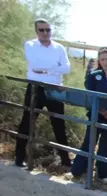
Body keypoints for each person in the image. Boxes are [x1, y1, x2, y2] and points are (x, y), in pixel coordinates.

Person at [15, 19, 71, 168]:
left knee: (59, 124)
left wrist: (47, 70)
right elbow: (35, 66)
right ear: (36, 31)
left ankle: (65, 161)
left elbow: (66, 68)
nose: (46, 33)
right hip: (36, 88)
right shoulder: (30, 45)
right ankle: (19, 157)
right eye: (42, 30)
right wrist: (54, 68)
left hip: (54, 89)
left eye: (48, 30)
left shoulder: (59, 48)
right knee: (27, 121)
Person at [69, 48, 107, 183]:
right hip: (96, 115)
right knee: (89, 141)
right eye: (103, 59)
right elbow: (89, 95)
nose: (106, 62)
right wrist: (100, 110)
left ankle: (104, 173)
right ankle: (78, 170)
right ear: (99, 60)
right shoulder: (93, 75)